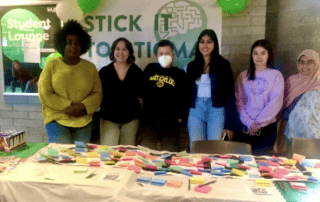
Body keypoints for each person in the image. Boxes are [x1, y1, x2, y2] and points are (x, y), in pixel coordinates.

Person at [38, 20, 102, 143]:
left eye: (77, 43)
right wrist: (68, 106)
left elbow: (97, 94)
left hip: (83, 120)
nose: (73, 46)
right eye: (69, 42)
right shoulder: (52, 64)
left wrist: (83, 107)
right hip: (57, 119)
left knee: (81, 159)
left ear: (83, 45)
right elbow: (44, 92)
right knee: (62, 158)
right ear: (62, 44)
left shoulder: (90, 67)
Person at [186, 29, 234, 152]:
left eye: (209, 42)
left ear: (215, 44)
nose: (205, 45)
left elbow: (230, 95)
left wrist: (229, 125)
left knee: (215, 150)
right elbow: (187, 94)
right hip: (196, 110)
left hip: (216, 111)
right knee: (196, 148)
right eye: (202, 42)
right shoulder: (192, 66)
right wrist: (187, 119)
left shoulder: (224, 65)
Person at [234, 39, 284, 156]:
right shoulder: (243, 75)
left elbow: (275, 102)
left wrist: (258, 123)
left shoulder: (276, 75)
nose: (259, 56)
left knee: (262, 165)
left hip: (266, 128)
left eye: (263, 53)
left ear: (269, 55)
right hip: (245, 127)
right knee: (243, 165)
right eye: (255, 53)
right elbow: (239, 102)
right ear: (251, 55)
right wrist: (249, 123)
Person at [139, 40, 187, 152]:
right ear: (157, 56)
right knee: (146, 151)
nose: (164, 56)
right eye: (161, 53)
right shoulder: (150, 69)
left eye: (167, 53)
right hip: (149, 120)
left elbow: (184, 97)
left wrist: (180, 118)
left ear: (173, 55)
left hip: (170, 121)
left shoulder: (179, 74)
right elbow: (141, 91)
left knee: (170, 152)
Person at [99, 37, 143, 146]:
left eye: (124, 49)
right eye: (118, 49)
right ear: (113, 51)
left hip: (131, 120)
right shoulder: (104, 72)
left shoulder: (136, 71)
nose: (120, 52)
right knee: (107, 153)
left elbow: (142, 96)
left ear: (129, 52)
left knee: (127, 154)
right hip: (109, 119)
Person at [279, 50, 320, 154]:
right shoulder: (291, 81)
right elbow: (282, 105)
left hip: (313, 134)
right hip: (289, 130)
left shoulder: (318, 82)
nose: (305, 66)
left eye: (310, 62)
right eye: (301, 62)